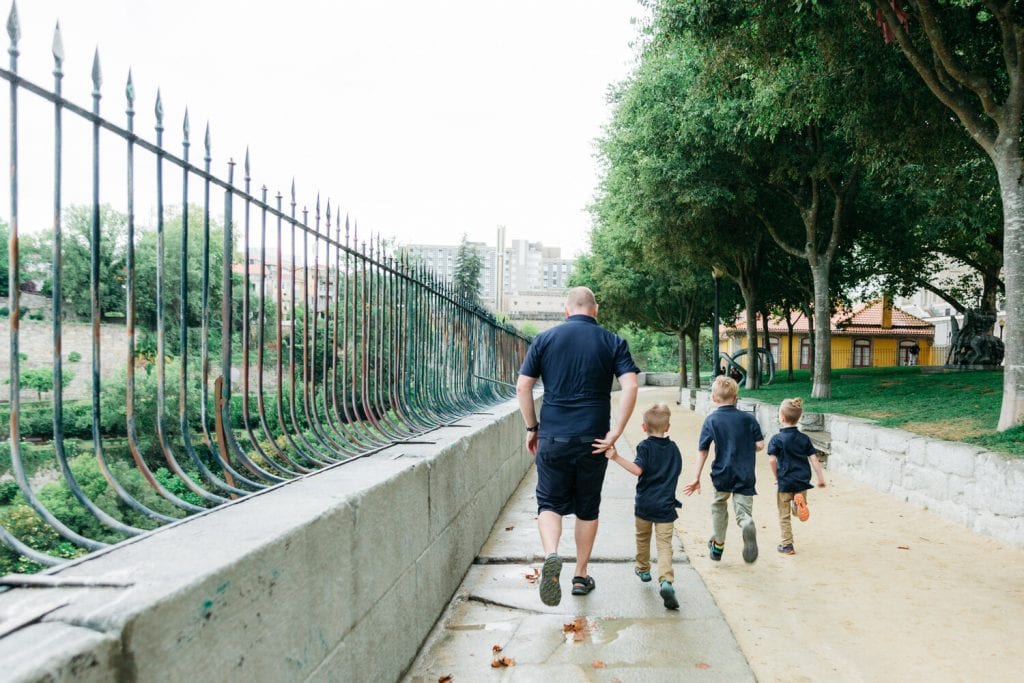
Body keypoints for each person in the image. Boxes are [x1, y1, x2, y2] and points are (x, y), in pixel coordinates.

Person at [516, 286, 639, 607]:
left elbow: (523, 386)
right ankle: (580, 575)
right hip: (594, 439)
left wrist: (532, 428)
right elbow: (631, 385)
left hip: (553, 436)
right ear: (595, 310)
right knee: (587, 507)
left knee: (549, 504)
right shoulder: (613, 341)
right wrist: (616, 432)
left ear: (566, 311)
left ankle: (552, 555)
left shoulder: (544, 339)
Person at [606, 402, 682, 610]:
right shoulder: (674, 449)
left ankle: (643, 568)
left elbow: (638, 470)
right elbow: (676, 472)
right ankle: (666, 581)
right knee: (665, 545)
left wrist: (616, 457)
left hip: (645, 504)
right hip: (666, 506)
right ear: (667, 427)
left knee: (642, 538)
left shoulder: (645, 447)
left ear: (643, 427)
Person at [682, 375, 765, 563]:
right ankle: (746, 522)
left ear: (713, 398)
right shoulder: (748, 419)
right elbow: (760, 445)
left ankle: (718, 546)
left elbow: (703, 451)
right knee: (743, 509)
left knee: (719, 506)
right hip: (745, 473)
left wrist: (696, 477)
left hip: (722, 472)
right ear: (736, 398)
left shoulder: (711, 420)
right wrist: (746, 447)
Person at [768, 398, 827, 555]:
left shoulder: (776, 439)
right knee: (797, 504)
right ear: (799, 418)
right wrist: (820, 479)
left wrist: (776, 476)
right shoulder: (804, 439)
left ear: (781, 417)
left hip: (785, 481)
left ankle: (787, 545)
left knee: (783, 514)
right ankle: (798, 505)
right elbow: (814, 459)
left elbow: (772, 460)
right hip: (802, 481)